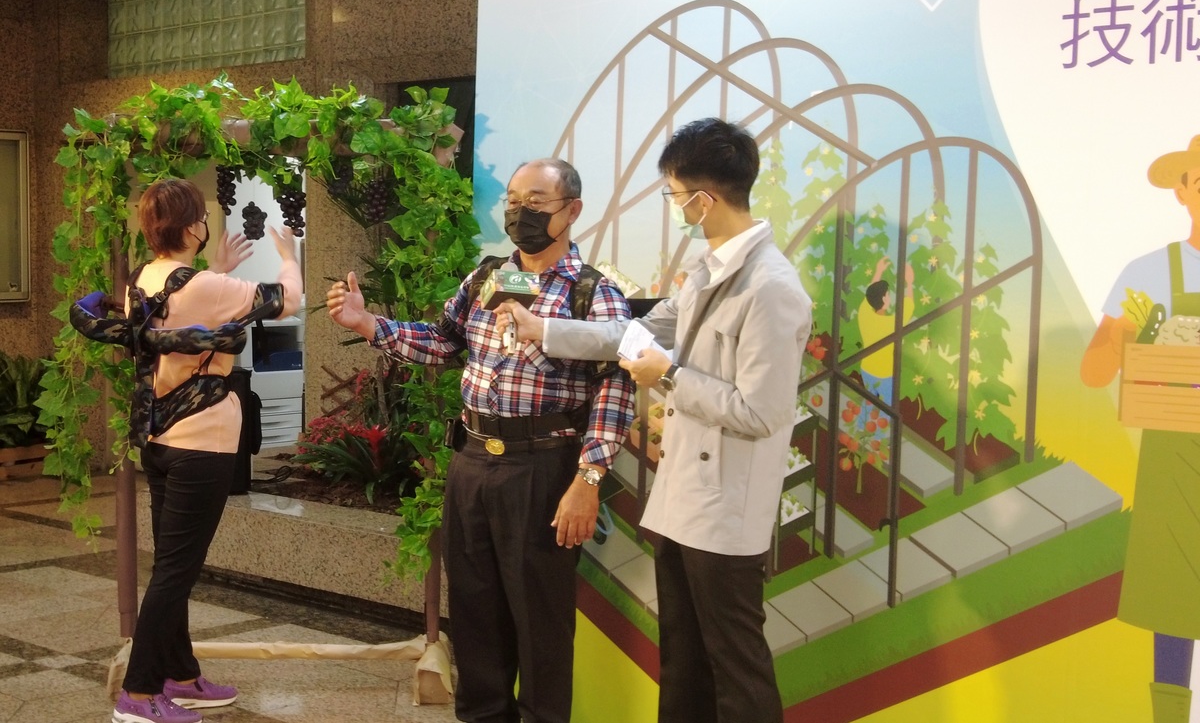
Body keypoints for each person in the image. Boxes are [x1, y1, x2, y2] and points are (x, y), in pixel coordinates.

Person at [498, 118, 812, 723]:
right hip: (681, 504)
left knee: (736, 668)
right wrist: (548, 330)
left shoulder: (771, 287)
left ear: (703, 199)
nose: (673, 207)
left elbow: (761, 412)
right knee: (684, 664)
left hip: (725, 512)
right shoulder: (707, 271)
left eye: (672, 195)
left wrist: (666, 377)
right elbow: (631, 335)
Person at [325, 158, 635, 723]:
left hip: (542, 470)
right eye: (514, 201)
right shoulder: (488, 277)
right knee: (473, 616)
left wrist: (587, 480)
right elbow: (443, 343)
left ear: (573, 210)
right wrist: (369, 324)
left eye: (536, 201)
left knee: (540, 623)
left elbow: (614, 396)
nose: (521, 213)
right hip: (472, 463)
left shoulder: (595, 294)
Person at [113, 179, 303, 723]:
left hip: (160, 439)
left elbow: (196, 297)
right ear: (191, 226)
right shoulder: (206, 287)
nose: (205, 225)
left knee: (172, 567)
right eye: (201, 218)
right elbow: (287, 300)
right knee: (176, 571)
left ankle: (181, 674)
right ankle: (141, 693)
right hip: (203, 443)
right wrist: (289, 257)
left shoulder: (140, 280)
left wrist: (215, 268)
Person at [1081, 135, 1200, 723]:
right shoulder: (1151, 274)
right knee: (1174, 604)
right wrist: (1127, 335)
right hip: (1175, 465)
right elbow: (1094, 368)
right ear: (1182, 192)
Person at [856, 256, 913, 427]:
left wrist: (878, 272)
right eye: (887, 295)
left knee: (867, 403)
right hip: (885, 374)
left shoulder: (864, 315)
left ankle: (860, 429)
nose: (889, 298)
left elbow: (869, 297)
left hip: (866, 369)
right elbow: (908, 308)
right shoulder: (890, 324)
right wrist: (909, 283)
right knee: (886, 410)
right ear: (883, 300)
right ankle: (878, 438)